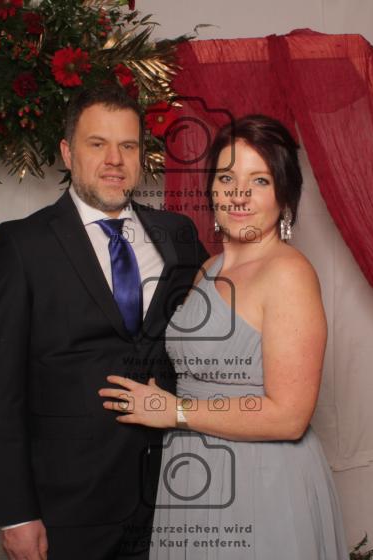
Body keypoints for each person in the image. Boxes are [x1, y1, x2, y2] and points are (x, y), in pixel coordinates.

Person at [0, 84, 210, 560]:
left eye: (128, 146)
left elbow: (217, 331)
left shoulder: (177, 234)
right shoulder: (21, 245)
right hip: (68, 506)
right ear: (68, 152)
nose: (114, 160)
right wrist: (16, 513)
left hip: (176, 491)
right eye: (97, 144)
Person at [98, 114, 351, 559]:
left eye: (259, 181)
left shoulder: (288, 274)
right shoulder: (207, 268)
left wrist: (175, 410)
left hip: (261, 479)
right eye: (227, 178)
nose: (239, 194)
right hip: (192, 471)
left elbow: (289, 416)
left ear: (285, 195)